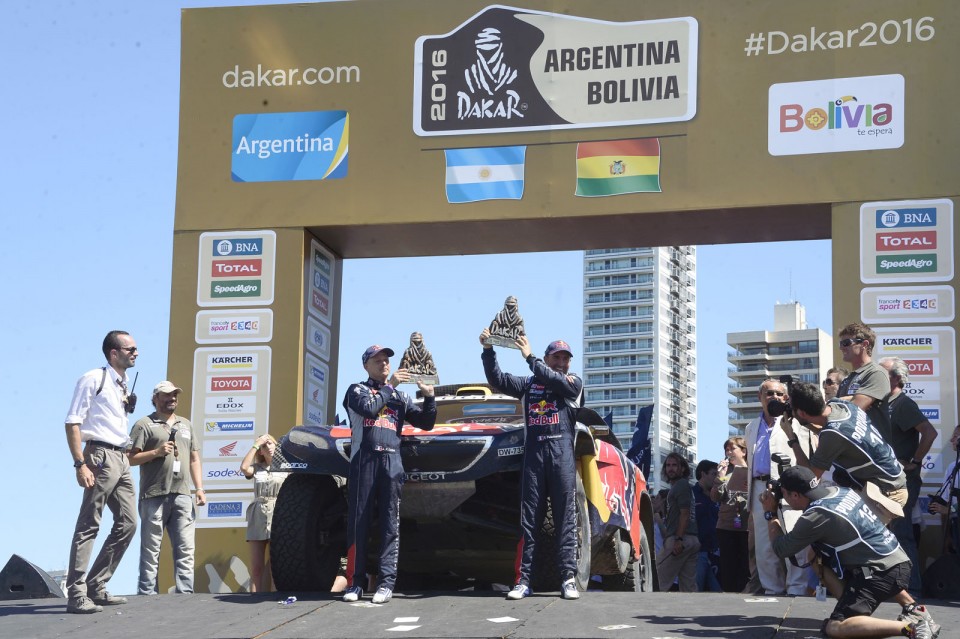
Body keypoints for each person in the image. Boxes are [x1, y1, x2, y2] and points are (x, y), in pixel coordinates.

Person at [761, 466, 940, 639]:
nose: (783, 497)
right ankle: (914, 609)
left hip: (878, 573)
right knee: (814, 556)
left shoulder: (815, 516)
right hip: (897, 561)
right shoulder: (840, 491)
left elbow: (781, 549)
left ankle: (911, 627)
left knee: (835, 627)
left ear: (795, 494)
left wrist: (770, 513)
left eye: (784, 494)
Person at [480, 329, 583, 600]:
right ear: (548, 359)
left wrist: (530, 357)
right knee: (529, 523)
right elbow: (498, 380)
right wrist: (489, 351)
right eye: (556, 357)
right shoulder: (529, 385)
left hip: (562, 459)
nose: (561, 362)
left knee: (565, 521)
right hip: (534, 458)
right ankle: (523, 581)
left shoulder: (573, 383)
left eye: (565, 358)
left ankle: (568, 578)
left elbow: (556, 381)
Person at [341, 345, 436, 604]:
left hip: (392, 461)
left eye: (386, 361)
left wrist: (429, 397)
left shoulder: (401, 398)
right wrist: (390, 386)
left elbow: (426, 423)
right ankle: (355, 584)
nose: (384, 364)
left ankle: (385, 583)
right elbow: (370, 409)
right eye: (378, 361)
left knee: (389, 524)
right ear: (366, 366)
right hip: (364, 461)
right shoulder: (356, 390)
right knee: (358, 524)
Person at [63, 330, 139, 614]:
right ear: (113, 353)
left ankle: (96, 585)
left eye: (135, 348)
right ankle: (77, 593)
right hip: (99, 455)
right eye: (130, 348)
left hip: (121, 456)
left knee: (129, 523)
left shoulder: (123, 381)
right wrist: (79, 463)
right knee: (89, 524)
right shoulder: (94, 378)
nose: (136, 352)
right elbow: (72, 423)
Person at [783, 381, 907, 522]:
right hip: (888, 482)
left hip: (886, 493)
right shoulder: (841, 405)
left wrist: (792, 438)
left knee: (859, 539)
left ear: (802, 413)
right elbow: (837, 435)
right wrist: (807, 424)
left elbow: (809, 478)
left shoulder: (833, 434)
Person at [128, 381, 205, 594]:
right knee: (151, 548)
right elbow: (130, 458)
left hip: (182, 494)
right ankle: (147, 593)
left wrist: (199, 488)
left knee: (186, 548)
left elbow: (194, 458)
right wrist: (156, 452)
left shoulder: (185, 424)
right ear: (155, 398)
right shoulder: (144, 424)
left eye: (174, 395)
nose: (172, 398)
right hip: (153, 494)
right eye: (167, 395)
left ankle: (185, 592)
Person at [878, 357, 938, 593]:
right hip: (882, 481)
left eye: (882, 373)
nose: (877, 378)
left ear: (896, 378)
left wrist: (914, 461)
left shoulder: (903, 404)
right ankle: (891, 588)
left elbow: (929, 433)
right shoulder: (883, 404)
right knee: (885, 535)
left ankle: (912, 591)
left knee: (902, 534)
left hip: (901, 483)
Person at [745, 378, 809, 595]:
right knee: (764, 546)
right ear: (760, 397)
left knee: (794, 537)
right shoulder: (751, 427)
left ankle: (797, 589)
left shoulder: (796, 423)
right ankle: (772, 589)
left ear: (786, 398)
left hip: (790, 488)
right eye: (769, 393)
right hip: (760, 489)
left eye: (779, 394)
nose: (775, 398)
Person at [240, 433, 287, 592]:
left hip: (278, 513)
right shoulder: (257, 468)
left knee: (277, 567)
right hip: (258, 514)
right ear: (260, 451)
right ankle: (254, 597)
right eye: (264, 446)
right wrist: (256, 444)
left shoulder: (286, 467)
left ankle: (275, 599)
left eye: (271, 443)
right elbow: (244, 468)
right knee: (256, 568)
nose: (269, 447)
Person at [656, 452, 700, 592]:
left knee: (656, 580)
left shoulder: (681, 485)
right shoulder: (682, 487)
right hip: (692, 540)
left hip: (680, 540)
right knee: (689, 588)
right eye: (668, 465)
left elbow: (685, 513)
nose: (671, 468)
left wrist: (678, 539)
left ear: (683, 468)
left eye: (675, 465)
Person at [711, 436, 750, 593]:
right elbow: (714, 497)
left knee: (746, 565)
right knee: (728, 566)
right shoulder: (725, 472)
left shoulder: (754, 471)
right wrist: (720, 477)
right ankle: (729, 595)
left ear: (744, 451)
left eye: (732, 448)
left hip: (747, 526)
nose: (728, 452)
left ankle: (745, 592)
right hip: (726, 525)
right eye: (726, 449)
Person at [837, 322, 890, 437]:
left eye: (846, 343)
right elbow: (836, 419)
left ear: (864, 344)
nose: (841, 347)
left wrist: (838, 401)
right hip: (851, 448)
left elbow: (852, 410)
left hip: (872, 452)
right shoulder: (847, 379)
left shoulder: (876, 373)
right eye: (840, 343)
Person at [929, 425, 960, 555]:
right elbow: (946, 504)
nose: (951, 440)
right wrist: (946, 537)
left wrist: (950, 510)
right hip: (955, 527)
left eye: (955, 436)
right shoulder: (952, 467)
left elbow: (948, 509)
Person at [693, 460, 721, 592]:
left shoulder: (718, 495)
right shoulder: (691, 494)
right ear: (703, 474)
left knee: (719, 590)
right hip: (698, 551)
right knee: (696, 588)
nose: (716, 478)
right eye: (713, 474)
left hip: (716, 551)